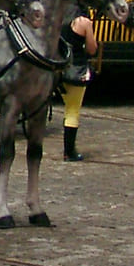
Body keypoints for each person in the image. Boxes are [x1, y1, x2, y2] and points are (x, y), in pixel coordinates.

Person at [59, 11, 98, 162]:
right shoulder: (84, 22)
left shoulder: (58, 16)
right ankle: (69, 152)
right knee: (72, 111)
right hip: (76, 69)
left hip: (59, 68)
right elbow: (91, 48)